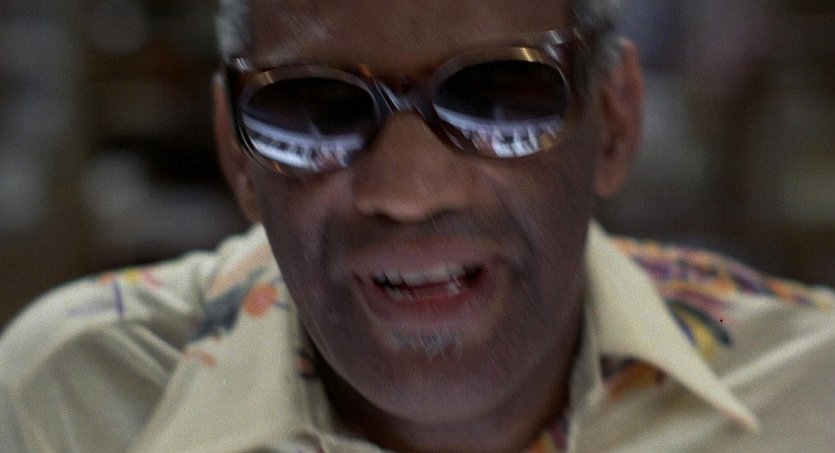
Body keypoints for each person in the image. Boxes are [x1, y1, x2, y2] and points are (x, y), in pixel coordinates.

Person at [1, 0, 833, 451]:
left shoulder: (814, 395)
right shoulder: (69, 404)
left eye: (496, 95)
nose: (406, 189)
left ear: (612, 123)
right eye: (313, 106)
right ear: (238, 153)